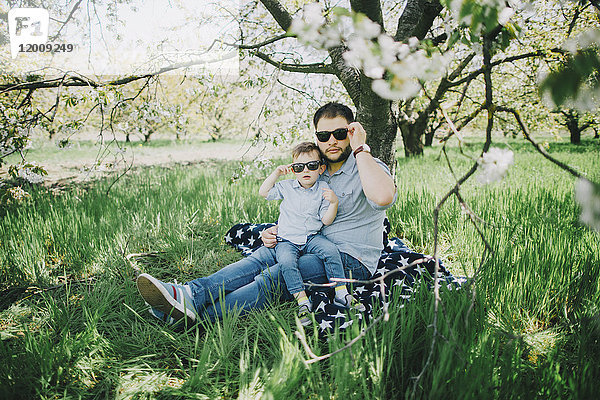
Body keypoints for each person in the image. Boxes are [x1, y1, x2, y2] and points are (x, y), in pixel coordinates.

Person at [135, 102, 397, 325]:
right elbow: (300, 210)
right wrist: (279, 230)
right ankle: (189, 294)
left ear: (351, 133)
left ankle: (198, 317)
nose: (332, 141)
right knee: (259, 258)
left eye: (340, 133)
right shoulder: (313, 170)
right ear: (316, 137)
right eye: (324, 135)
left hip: (349, 260)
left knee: (275, 275)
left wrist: (361, 148)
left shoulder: (367, 166)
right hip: (307, 244)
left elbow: (384, 197)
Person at [258, 141, 364, 326]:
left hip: (311, 237)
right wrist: (276, 173)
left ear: (321, 168)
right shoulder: (287, 186)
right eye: (299, 167)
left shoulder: (324, 189)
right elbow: (263, 192)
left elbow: (326, 221)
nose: (305, 171)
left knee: (331, 251)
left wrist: (334, 204)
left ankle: (341, 292)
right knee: (286, 262)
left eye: (312, 166)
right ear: (293, 169)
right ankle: (302, 301)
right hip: (287, 239)